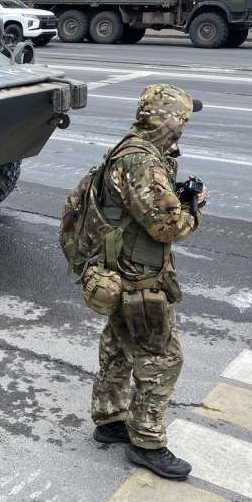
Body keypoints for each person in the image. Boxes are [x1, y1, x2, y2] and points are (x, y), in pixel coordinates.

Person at [89, 84, 206, 480]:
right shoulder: (142, 163)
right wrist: (195, 208)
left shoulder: (131, 148)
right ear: (169, 122)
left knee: (118, 346)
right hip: (138, 277)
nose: (184, 127)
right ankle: (147, 442)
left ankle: (109, 419)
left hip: (117, 268)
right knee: (163, 357)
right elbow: (167, 227)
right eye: (182, 120)